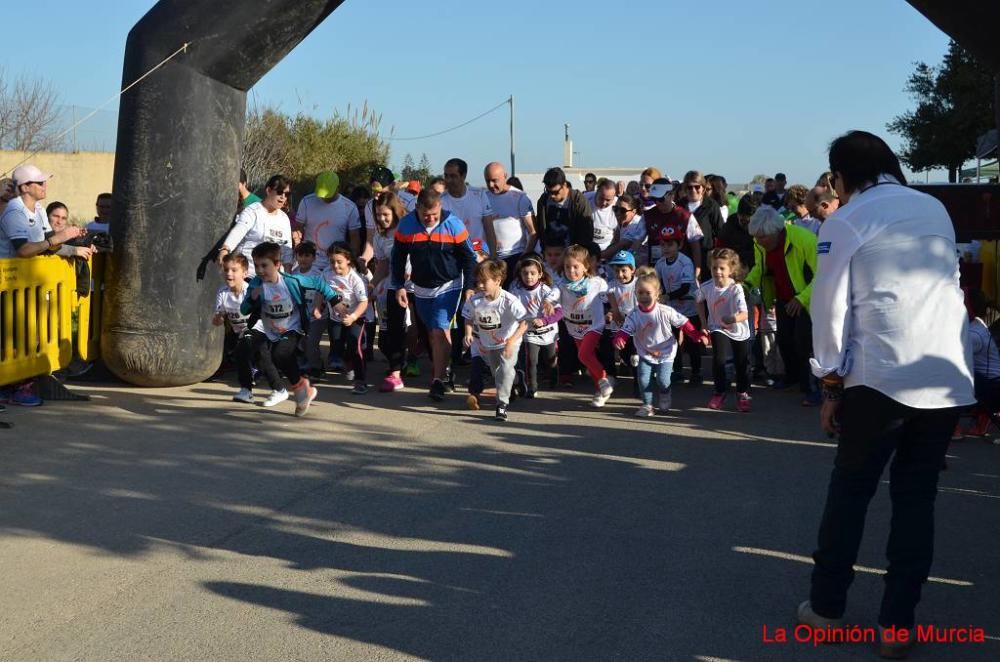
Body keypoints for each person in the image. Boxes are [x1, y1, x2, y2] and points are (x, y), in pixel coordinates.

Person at [799, 131, 975, 659]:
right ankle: (898, 624)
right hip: (944, 376)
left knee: (851, 493)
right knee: (916, 500)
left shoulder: (847, 219)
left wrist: (831, 382)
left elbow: (828, 310)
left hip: (880, 377)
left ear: (840, 177)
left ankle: (827, 608)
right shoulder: (935, 209)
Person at [236, 242, 342, 415]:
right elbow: (244, 310)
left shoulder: (292, 281)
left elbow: (319, 284)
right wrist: (252, 299)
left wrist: (335, 302)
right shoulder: (256, 284)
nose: (260, 270)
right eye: (257, 266)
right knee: (244, 346)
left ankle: (300, 390)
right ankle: (249, 389)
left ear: (277, 265)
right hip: (267, 327)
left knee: (281, 354)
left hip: (292, 327)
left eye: (265, 265)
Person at [391, 188, 477, 402]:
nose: (430, 219)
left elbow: (469, 258)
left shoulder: (453, 224)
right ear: (417, 209)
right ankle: (445, 371)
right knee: (431, 332)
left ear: (440, 207)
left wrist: (469, 287)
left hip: (449, 285)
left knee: (440, 330)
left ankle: (437, 380)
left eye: (434, 215)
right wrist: (399, 285)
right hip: (421, 287)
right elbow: (398, 256)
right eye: (425, 215)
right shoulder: (407, 225)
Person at [745, 205, 818, 404]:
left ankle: (811, 388)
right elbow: (761, 268)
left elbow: (823, 275)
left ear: (776, 232)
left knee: (804, 344)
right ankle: (792, 377)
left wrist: (802, 298)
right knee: (785, 340)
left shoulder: (806, 241)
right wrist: (746, 284)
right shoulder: (760, 243)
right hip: (783, 298)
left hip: (807, 301)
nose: (758, 241)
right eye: (756, 237)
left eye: (762, 237)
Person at [613, 266, 705, 417]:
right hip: (645, 351)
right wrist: (620, 339)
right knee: (643, 379)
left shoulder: (665, 311)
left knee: (663, 380)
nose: (643, 296)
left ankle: (665, 393)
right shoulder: (633, 314)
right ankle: (647, 405)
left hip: (666, 352)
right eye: (640, 293)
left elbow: (683, 322)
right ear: (635, 294)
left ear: (657, 294)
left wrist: (695, 334)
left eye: (648, 293)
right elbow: (625, 330)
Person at [462, 259, 529, 421]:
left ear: (498, 281)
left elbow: (525, 322)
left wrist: (511, 342)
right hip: (489, 343)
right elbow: (468, 318)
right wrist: (468, 333)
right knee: (497, 373)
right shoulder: (475, 300)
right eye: (478, 281)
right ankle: (517, 378)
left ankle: (501, 405)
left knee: (504, 371)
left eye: (484, 281)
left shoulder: (509, 301)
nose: (480, 285)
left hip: (509, 341)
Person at [697, 248, 751, 412]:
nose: (717, 272)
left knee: (742, 363)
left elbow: (745, 314)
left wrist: (733, 318)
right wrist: (704, 323)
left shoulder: (736, 289)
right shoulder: (707, 287)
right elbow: (698, 300)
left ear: (731, 270)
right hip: (718, 327)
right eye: (714, 268)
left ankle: (742, 392)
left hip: (738, 329)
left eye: (722, 268)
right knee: (719, 359)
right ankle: (719, 392)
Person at [559, 244, 613, 407]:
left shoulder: (597, 283)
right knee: (589, 359)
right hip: (574, 327)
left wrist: (612, 310)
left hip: (594, 326)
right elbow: (553, 296)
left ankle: (604, 379)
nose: (571, 270)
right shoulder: (561, 284)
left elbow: (610, 296)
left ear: (586, 267)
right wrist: (548, 303)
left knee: (583, 355)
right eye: (567, 267)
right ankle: (600, 390)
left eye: (576, 266)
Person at [369, 191, 411, 392]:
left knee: (409, 330)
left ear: (395, 212)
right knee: (388, 335)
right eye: (378, 215)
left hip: (415, 285)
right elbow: (383, 264)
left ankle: (400, 369)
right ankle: (396, 368)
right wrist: (372, 285)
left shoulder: (407, 229)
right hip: (393, 285)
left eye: (386, 214)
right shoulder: (380, 236)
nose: (382, 219)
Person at [218, 174, 294, 276]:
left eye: (287, 194)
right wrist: (225, 250)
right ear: (268, 190)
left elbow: (287, 249)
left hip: (272, 280)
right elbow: (238, 231)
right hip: (248, 276)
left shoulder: (284, 218)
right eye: (279, 192)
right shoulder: (252, 211)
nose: (283, 197)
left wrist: (288, 274)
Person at [509, 254, 562, 399]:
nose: (529, 277)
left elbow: (559, 311)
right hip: (529, 332)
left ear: (540, 274)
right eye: (525, 273)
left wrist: (544, 321)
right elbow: (510, 309)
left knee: (550, 359)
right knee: (531, 360)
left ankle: (553, 377)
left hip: (548, 331)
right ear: (520, 274)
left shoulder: (546, 291)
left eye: (533, 273)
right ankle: (532, 387)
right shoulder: (515, 289)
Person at [655, 227, 702, 386]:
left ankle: (696, 372)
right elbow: (657, 283)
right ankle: (677, 370)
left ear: (679, 245)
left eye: (670, 245)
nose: (666, 249)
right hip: (672, 308)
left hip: (689, 307)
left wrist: (667, 296)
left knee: (692, 340)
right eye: (663, 245)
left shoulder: (685, 262)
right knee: (672, 339)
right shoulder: (660, 263)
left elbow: (685, 288)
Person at [323, 243, 370, 394]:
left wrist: (354, 316)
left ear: (348, 260)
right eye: (332, 262)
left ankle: (360, 381)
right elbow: (320, 290)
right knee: (337, 345)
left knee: (355, 347)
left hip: (356, 318)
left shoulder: (355, 279)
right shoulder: (326, 274)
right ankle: (349, 364)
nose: (335, 266)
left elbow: (364, 301)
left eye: (339, 262)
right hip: (335, 318)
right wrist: (318, 308)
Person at [294, 171, 361, 271]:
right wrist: (298, 253)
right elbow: (298, 228)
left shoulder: (350, 207)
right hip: (310, 262)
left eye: (328, 193)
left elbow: (354, 237)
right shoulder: (306, 201)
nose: (324, 197)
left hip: (335, 264)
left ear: (338, 188)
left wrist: (351, 261)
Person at [483, 162, 536, 281]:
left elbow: (533, 232)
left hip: (515, 257)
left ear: (505, 176)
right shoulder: (483, 198)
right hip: (492, 258)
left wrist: (523, 259)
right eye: (488, 181)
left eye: (494, 180)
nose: (491, 185)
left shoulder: (520, 197)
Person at [642, 178, 703, 272]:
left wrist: (697, 271)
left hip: (681, 270)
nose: (657, 203)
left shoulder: (685, 216)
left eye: (661, 199)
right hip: (655, 270)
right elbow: (636, 241)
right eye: (654, 199)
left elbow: (695, 245)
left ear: (671, 195)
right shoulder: (647, 215)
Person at [535, 167, 597, 258]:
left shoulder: (578, 200)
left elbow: (586, 232)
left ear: (564, 185)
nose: (552, 196)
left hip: (573, 255)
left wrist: (578, 255)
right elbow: (541, 229)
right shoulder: (543, 201)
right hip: (551, 256)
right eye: (548, 191)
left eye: (555, 192)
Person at [442, 158, 496, 254]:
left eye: (453, 176)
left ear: (463, 176)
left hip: (478, 254)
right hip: (453, 256)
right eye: (446, 176)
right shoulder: (440, 200)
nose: (448, 180)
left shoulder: (480, 195)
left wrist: (493, 256)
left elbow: (489, 230)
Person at [677, 170, 725, 280]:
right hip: (683, 255)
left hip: (706, 256)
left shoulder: (712, 206)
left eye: (697, 187)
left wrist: (716, 251)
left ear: (703, 188)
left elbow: (721, 231)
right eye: (689, 187)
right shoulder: (679, 205)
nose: (693, 190)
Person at [213, 253, 251, 377]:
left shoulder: (249, 291)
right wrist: (218, 318)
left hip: (256, 332)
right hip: (237, 332)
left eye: (234, 270)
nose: (229, 273)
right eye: (226, 269)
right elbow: (219, 317)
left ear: (245, 274)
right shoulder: (222, 292)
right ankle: (223, 365)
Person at [605, 250, 638, 383]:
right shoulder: (611, 286)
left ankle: (638, 382)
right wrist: (610, 313)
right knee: (624, 353)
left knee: (635, 355)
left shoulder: (638, 284)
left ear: (632, 270)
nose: (620, 274)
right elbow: (607, 304)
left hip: (635, 326)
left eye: (624, 270)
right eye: (617, 270)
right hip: (618, 326)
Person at [602, 193, 645, 260]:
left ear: (633, 211)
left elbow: (621, 245)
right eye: (616, 209)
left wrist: (598, 255)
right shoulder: (623, 221)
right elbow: (615, 242)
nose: (618, 213)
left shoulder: (635, 224)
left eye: (622, 210)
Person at [718, 196, 756, 270]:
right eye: (742, 221)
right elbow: (721, 250)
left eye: (748, 222)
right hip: (734, 268)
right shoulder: (728, 227)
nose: (745, 224)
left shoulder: (759, 228)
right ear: (738, 214)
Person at [588, 178, 619, 257]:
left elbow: (618, 236)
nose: (604, 203)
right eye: (601, 198)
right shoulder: (585, 199)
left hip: (607, 249)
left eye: (608, 200)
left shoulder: (618, 206)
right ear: (597, 192)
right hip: (587, 247)